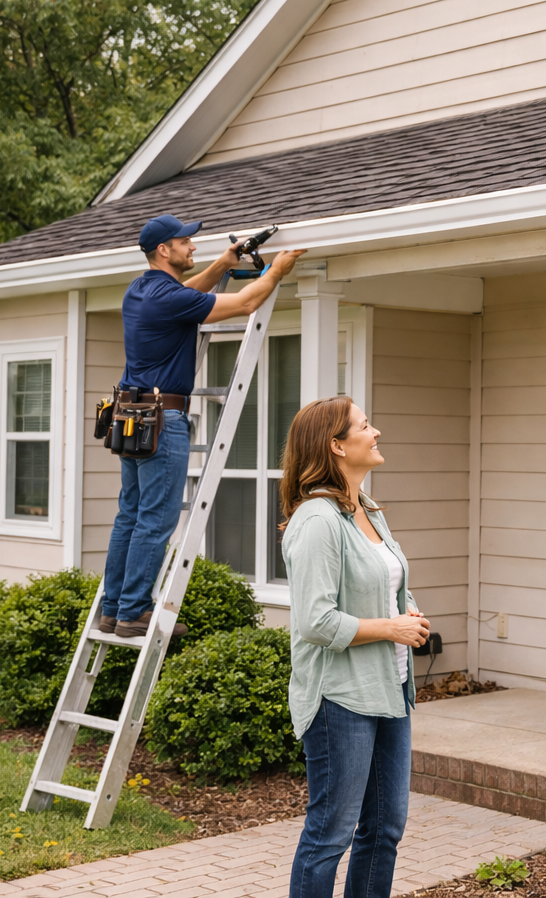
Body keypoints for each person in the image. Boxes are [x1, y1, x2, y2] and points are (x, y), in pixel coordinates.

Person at [101, 214, 305, 637]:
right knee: (155, 519)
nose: (193, 248)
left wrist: (223, 264)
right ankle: (134, 612)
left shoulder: (141, 290)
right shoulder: (168, 298)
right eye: (186, 242)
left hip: (131, 417)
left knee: (131, 515)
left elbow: (186, 294)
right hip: (163, 420)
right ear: (165, 250)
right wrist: (276, 271)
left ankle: (113, 607)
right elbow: (247, 303)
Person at [280, 396, 430, 898]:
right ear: (336, 445)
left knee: (385, 829)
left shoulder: (365, 508)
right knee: (331, 834)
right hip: (339, 697)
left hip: (391, 687)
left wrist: (408, 612)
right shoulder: (318, 519)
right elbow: (315, 620)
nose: (376, 432)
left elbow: (388, 582)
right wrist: (391, 628)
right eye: (366, 426)